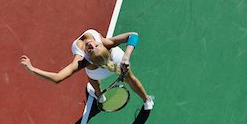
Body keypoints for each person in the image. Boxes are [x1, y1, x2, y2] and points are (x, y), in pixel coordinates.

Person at [20, 29, 154, 110]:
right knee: (130, 78)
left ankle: (99, 95)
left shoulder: (81, 61)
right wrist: (126, 56)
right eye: (96, 46)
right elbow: (133, 36)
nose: (91, 45)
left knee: (92, 80)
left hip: (99, 71)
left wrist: (32, 69)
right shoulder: (106, 43)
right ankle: (147, 100)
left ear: (88, 58)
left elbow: (57, 78)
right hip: (117, 60)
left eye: (91, 50)